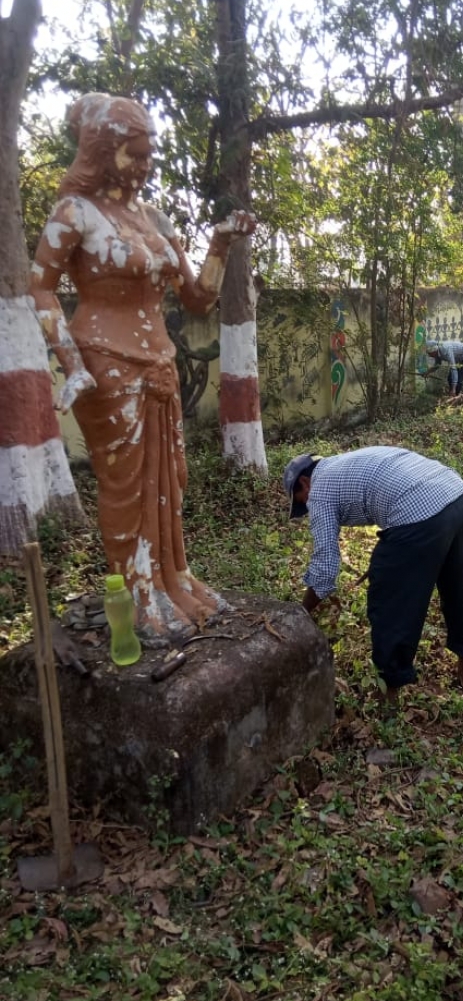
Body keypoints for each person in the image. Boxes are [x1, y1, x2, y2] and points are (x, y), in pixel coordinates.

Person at [29, 92, 256, 641]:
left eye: (149, 153)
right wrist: (69, 361)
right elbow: (39, 288)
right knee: (127, 484)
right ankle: (136, 590)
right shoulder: (75, 214)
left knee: (168, 481)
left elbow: (200, 296)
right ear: (103, 151)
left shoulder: (153, 219)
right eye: (135, 152)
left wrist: (220, 244)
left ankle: (173, 579)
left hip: (159, 361)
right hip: (105, 364)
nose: (145, 165)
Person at [283, 446, 463, 701]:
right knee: (455, 584)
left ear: (304, 482)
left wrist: (302, 611)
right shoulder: (344, 463)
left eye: (302, 502)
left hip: (419, 511)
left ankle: (390, 690)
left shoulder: (318, 492)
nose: (307, 509)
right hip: (458, 495)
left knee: (389, 601)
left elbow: (325, 568)